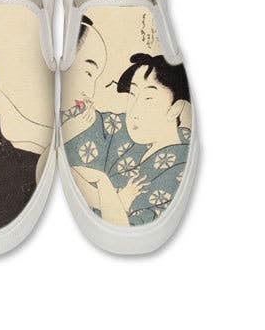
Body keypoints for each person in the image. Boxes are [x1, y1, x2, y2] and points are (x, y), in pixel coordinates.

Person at [65, 52, 192, 226]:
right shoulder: (129, 133)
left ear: (175, 109)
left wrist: (103, 184)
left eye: (148, 98)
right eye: (132, 94)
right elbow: (91, 126)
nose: (133, 110)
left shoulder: (177, 170)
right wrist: (83, 117)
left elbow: (125, 227)